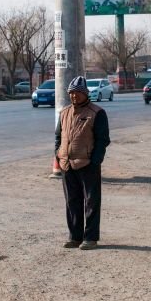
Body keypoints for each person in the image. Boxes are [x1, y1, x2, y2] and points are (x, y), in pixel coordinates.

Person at [54, 76, 110, 250]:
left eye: (77, 93)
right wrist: (58, 154)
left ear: (85, 94)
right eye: (71, 93)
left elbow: (103, 140)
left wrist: (95, 161)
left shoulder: (97, 113)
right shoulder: (64, 113)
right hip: (67, 164)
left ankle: (90, 238)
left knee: (91, 202)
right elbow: (58, 137)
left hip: (87, 164)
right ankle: (74, 236)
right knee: (72, 201)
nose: (74, 96)